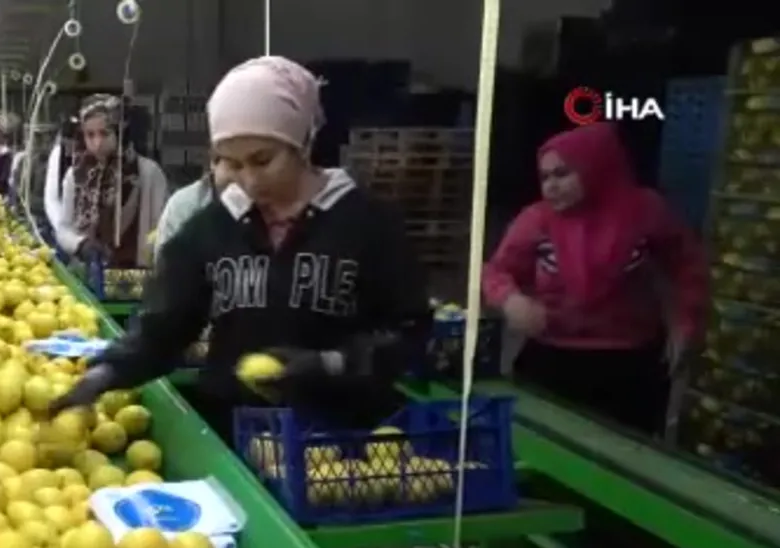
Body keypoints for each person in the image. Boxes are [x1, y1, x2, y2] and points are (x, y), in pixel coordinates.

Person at [49, 55, 429, 441]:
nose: (247, 179)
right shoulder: (212, 228)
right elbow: (164, 325)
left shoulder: (367, 223)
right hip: (237, 432)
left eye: (262, 160)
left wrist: (331, 363)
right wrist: (105, 373)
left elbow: (408, 331)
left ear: (303, 142)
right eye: (230, 163)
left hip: (341, 443)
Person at [482, 122, 708, 435]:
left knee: (625, 453)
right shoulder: (537, 220)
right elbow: (496, 270)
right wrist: (511, 299)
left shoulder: (645, 211)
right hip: (552, 356)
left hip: (629, 363)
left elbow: (687, 264)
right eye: (545, 177)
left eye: (563, 174)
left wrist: (685, 323)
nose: (551, 187)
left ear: (595, 167)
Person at [53, 95, 169, 267]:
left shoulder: (148, 173)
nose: (97, 143)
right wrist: (81, 244)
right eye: (90, 135)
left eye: (104, 133)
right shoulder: (76, 176)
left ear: (120, 132)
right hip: (87, 275)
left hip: (137, 276)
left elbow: (163, 229)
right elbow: (63, 228)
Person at [151, 160, 235, 259]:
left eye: (256, 163)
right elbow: (166, 267)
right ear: (213, 162)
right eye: (235, 165)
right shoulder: (184, 204)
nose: (247, 176)